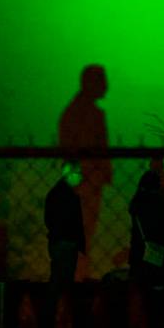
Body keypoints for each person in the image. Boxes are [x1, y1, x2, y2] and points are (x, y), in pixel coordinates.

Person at [58, 65, 112, 279]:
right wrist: (81, 181)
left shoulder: (76, 111)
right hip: (86, 181)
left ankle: (79, 273)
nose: (106, 85)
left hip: (84, 180)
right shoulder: (83, 114)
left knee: (83, 232)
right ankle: (78, 275)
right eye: (102, 80)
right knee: (83, 231)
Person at [128, 169, 164, 288]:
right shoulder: (160, 199)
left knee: (140, 286)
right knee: (159, 285)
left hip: (140, 249)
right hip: (158, 248)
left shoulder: (137, 200)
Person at [44, 160, 85, 295]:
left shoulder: (54, 193)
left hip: (59, 241)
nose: (81, 177)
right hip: (66, 243)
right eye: (78, 173)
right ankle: (60, 308)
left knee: (58, 279)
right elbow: (74, 222)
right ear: (70, 174)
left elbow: (48, 219)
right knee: (64, 281)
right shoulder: (69, 196)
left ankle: (54, 309)